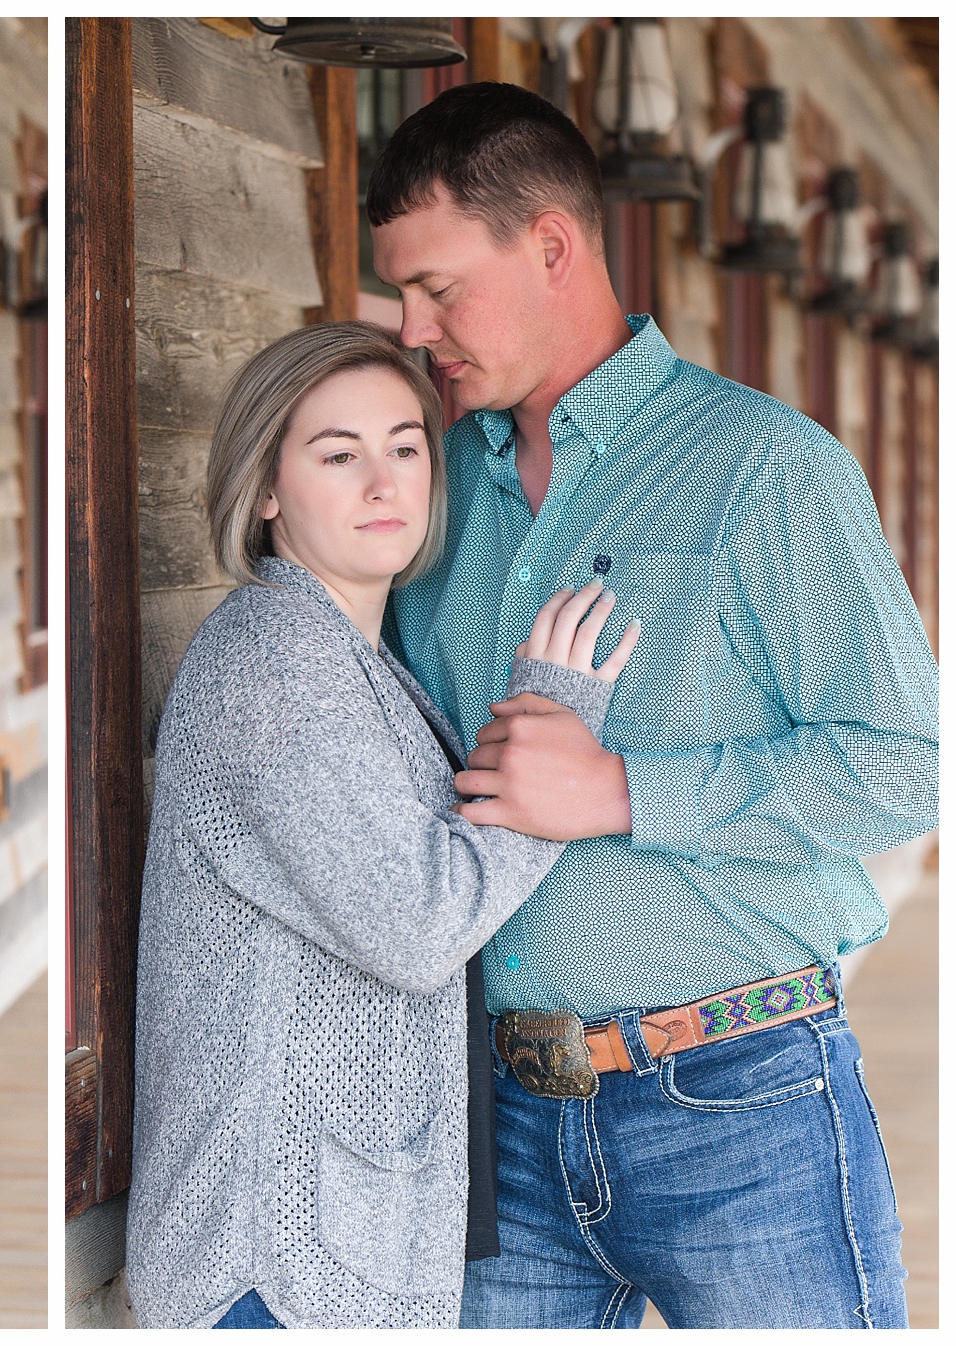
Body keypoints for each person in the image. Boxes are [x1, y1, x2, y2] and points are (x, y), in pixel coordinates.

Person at [367, 81, 938, 1329]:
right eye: (402, 295)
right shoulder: (430, 492)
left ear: (553, 247)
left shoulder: (766, 469)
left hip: (742, 1102)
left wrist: (622, 789)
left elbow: (906, 763)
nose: (415, 328)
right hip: (498, 1124)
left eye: (439, 288)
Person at [126, 322, 640, 1329]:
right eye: (338, 453)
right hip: (273, 1262)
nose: (383, 481)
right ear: (266, 487)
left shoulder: (348, 654)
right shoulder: (273, 661)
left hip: (333, 1245)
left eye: (406, 446)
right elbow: (417, 921)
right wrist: (554, 735)